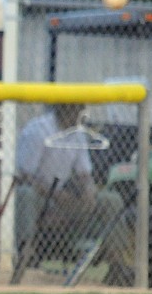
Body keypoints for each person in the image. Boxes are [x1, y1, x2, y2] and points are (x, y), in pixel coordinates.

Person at [14, 104, 123, 263]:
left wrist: (89, 191)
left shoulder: (78, 132)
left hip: (63, 197)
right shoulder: (38, 130)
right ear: (63, 110)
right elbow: (25, 175)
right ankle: (25, 255)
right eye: (76, 110)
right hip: (41, 197)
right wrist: (56, 195)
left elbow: (84, 174)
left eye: (81, 110)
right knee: (25, 194)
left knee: (110, 200)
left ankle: (117, 262)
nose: (81, 115)